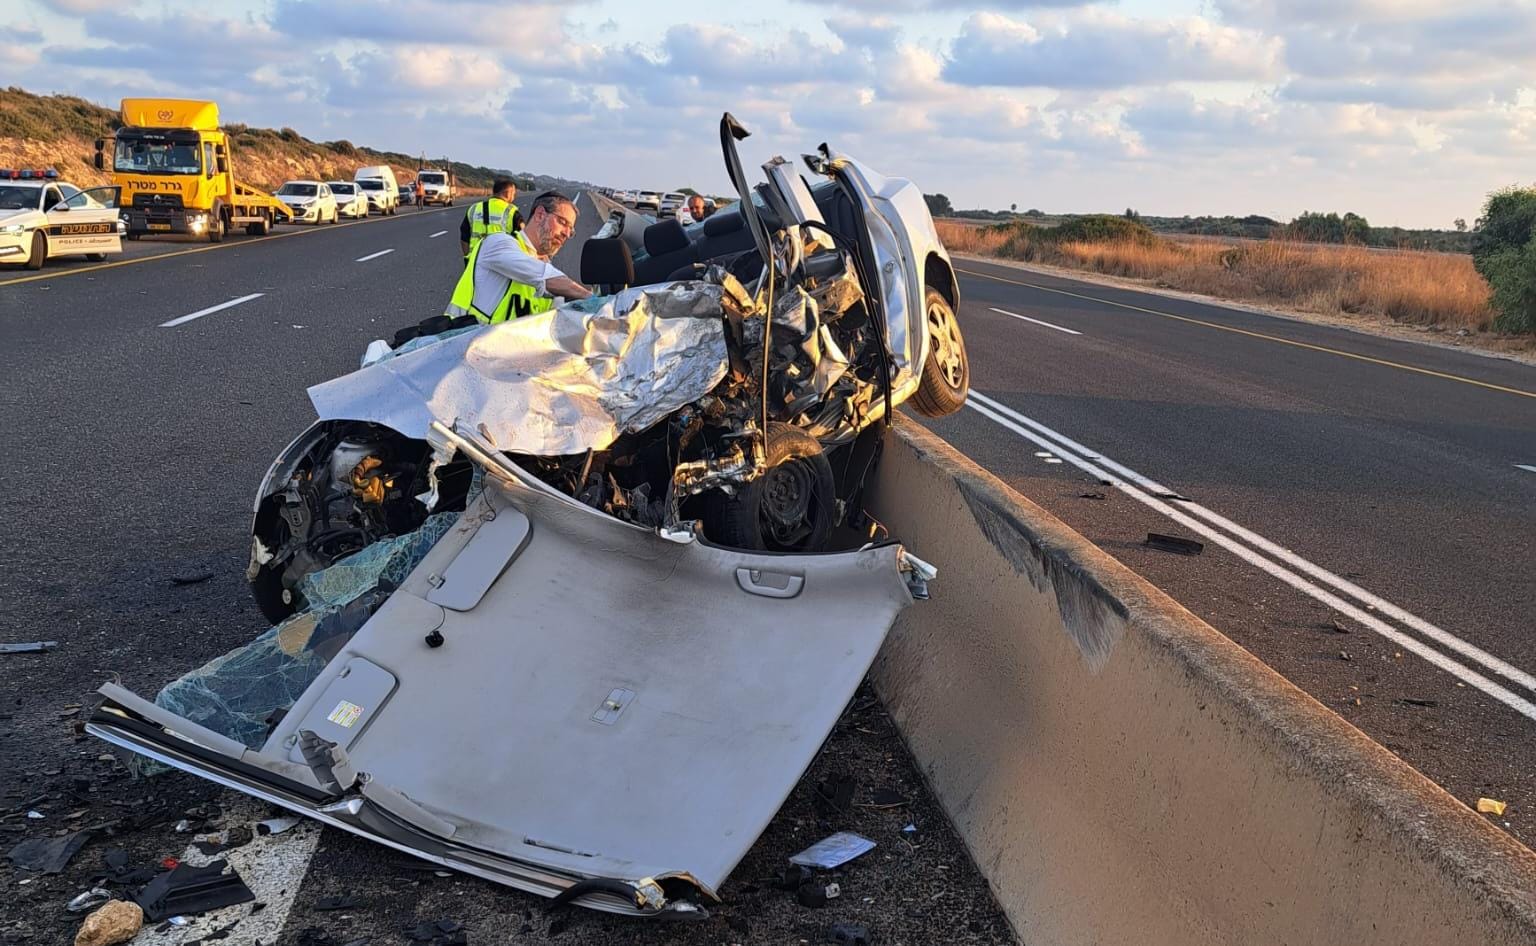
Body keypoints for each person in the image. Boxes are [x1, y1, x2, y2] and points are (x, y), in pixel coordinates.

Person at [445, 190, 591, 323]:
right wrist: (593, 299)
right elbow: (544, 277)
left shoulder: (550, 273)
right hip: (459, 343)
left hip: (507, 350)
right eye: (562, 222)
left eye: (570, 230)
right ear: (540, 215)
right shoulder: (498, 243)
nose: (566, 233)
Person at [460, 178, 523, 258]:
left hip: (475, 263)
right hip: (501, 264)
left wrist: (467, 257)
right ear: (507, 194)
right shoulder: (512, 212)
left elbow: (464, 237)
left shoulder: (474, 208)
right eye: (513, 194)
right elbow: (524, 240)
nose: (514, 197)